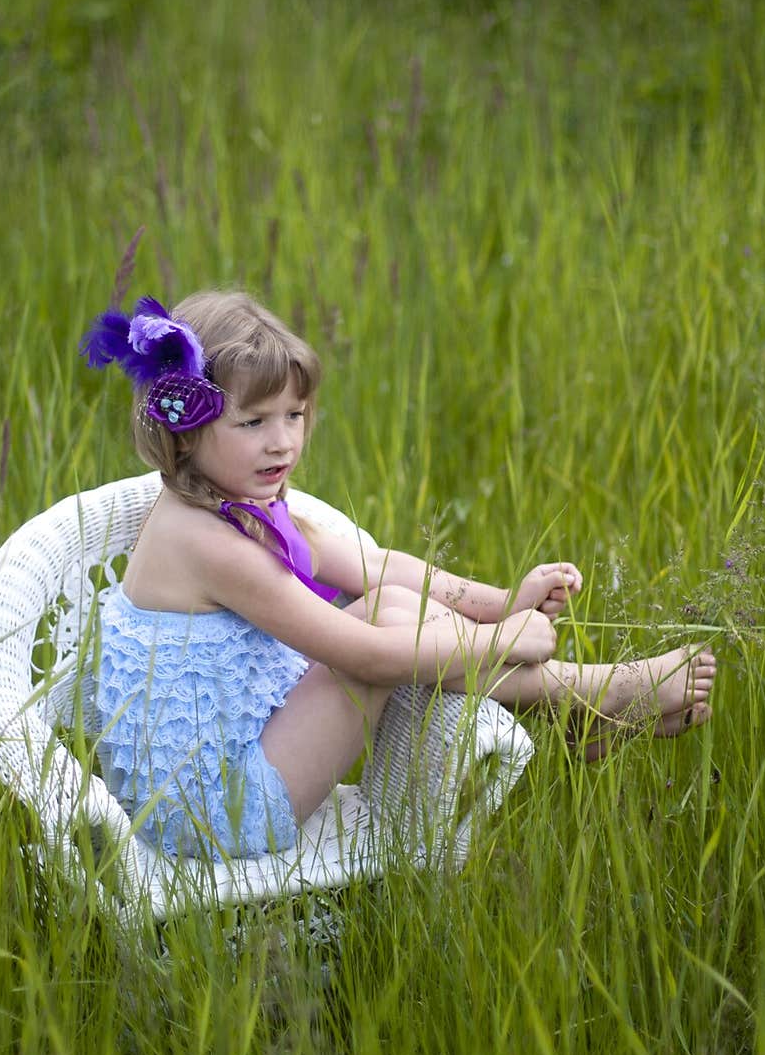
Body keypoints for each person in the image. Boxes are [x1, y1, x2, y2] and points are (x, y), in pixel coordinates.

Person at [80, 287, 717, 862]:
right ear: (184, 430)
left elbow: (375, 563)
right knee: (386, 622)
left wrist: (501, 601)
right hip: (214, 813)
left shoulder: (244, 503)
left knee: (390, 599)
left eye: (294, 416)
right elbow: (367, 654)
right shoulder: (204, 541)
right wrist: (500, 639)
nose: (282, 444)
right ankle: (591, 698)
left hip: (250, 752)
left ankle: (586, 704)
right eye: (252, 422)